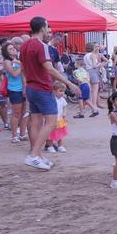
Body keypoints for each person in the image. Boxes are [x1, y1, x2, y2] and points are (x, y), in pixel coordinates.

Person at [21, 17, 81, 171]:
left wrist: (25, 85)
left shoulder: (25, 44)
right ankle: (34, 155)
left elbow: (23, 67)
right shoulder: (41, 46)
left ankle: (37, 155)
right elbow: (49, 68)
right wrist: (69, 83)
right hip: (41, 87)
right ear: (42, 28)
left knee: (35, 122)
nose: (48, 30)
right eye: (47, 27)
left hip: (31, 86)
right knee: (51, 122)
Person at [3, 43, 28, 144]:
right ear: (6, 51)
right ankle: (14, 135)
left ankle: (22, 134)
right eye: (10, 49)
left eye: (13, 48)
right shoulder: (7, 61)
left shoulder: (18, 59)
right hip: (14, 89)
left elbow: (24, 74)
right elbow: (14, 74)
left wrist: (25, 87)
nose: (13, 50)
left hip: (23, 87)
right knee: (16, 113)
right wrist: (22, 65)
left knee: (24, 113)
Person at [46, 81, 69, 153]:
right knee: (50, 133)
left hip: (59, 119)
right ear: (54, 91)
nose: (62, 93)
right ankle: (50, 146)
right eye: (60, 91)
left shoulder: (62, 100)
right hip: (52, 119)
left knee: (60, 133)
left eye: (63, 91)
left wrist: (64, 114)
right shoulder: (51, 99)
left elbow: (64, 107)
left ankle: (60, 146)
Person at [84, 43, 105, 117]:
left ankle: (93, 106)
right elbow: (94, 66)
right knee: (95, 91)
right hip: (93, 72)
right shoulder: (92, 55)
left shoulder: (85, 55)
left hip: (88, 72)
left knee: (91, 90)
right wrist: (101, 64)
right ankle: (94, 106)